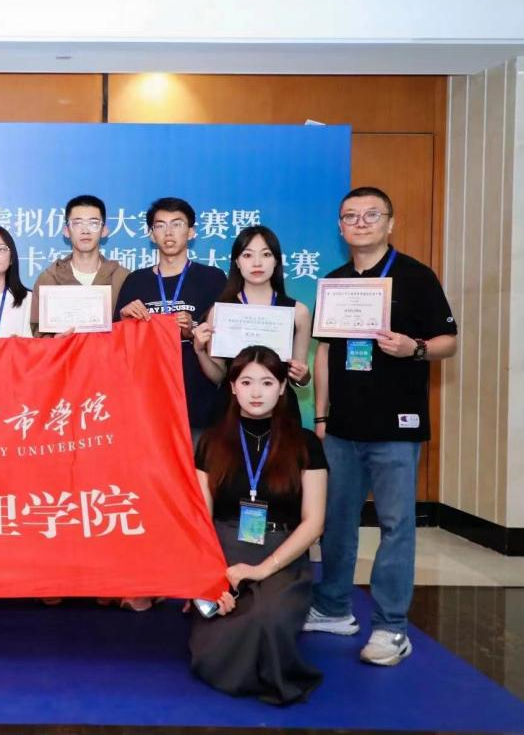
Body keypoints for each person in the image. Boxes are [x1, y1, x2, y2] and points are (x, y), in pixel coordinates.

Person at [305, 187, 457, 666]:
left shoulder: (416, 276)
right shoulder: (335, 281)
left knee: (395, 526)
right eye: (350, 216)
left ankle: (392, 627)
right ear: (340, 227)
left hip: (396, 426)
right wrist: (322, 415)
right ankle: (333, 608)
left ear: (390, 223)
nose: (361, 222)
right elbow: (325, 353)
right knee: (336, 522)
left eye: (371, 215)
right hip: (342, 427)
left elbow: (449, 341)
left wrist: (414, 348)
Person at [190, 345, 327, 705]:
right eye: (246, 382)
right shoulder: (211, 442)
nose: (256, 392)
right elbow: (199, 518)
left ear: (282, 388)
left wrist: (263, 569)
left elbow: (314, 523)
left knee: (267, 618)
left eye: (267, 383)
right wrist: (208, 577)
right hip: (223, 551)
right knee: (213, 651)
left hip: (281, 554)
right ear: (232, 387)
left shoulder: (305, 443)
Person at [115, 197, 226, 443]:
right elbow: (116, 347)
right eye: (160, 225)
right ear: (151, 234)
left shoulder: (213, 279)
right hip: (147, 404)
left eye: (177, 224)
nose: (168, 232)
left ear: (191, 232)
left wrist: (192, 329)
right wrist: (123, 319)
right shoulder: (135, 281)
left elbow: (225, 340)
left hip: (198, 402)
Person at [192, 225, 312, 424]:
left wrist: (303, 376)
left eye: (266, 254)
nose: (257, 262)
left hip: (280, 413)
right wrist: (199, 351)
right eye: (247, 255)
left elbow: (298, 378)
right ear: (237, 262)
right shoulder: (221, 312)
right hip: (230, 411)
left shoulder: (298, 312)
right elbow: (219, 376)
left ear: (276, 260)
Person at [29, 195, 130, 336]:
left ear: (104, 230)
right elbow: (38, 332)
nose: (85, 230)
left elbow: (132, 331)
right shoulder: (49, 279)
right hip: (64, 351)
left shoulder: (123, 278)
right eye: (77, 223)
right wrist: (54, 342)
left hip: (109, 351)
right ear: (66, 231)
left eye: (93, 223)